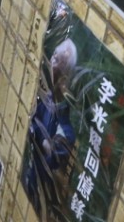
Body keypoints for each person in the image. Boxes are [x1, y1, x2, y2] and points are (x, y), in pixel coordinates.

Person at [22, 39, 78, 220]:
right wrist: (42, 140)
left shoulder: (66, 130)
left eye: (59, 60)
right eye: (54, 55)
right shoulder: (44, 100)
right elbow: (31, 127)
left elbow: (50, 160)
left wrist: (43, 140)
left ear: (66, 77)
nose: (52, 61)